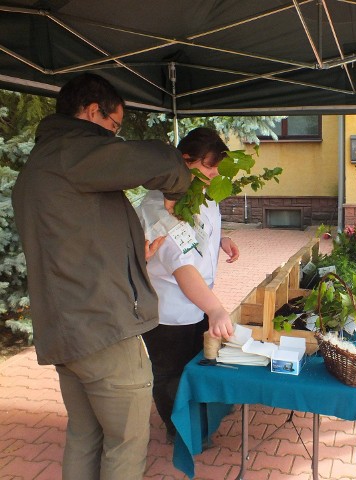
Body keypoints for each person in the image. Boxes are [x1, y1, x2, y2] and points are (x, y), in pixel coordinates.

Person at [11, 73, 192, 479]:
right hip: (102, 331)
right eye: (113, 128)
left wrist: (130, 255)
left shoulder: (39, 168)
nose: (114, 140)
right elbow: (161, 161)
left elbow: (70, 248)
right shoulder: (72, 152)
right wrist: (181, 181)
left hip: (66, 333)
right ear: (93, 113)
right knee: (126, 443)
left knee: (84, 434)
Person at [137, 127, 238, 444]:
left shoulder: (198, 192)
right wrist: (216, 308)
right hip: (169, 310)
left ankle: (198, 411)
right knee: (170, 372)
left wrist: (220, 238)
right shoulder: (159, 208)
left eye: (217, 168)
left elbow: (200, 231)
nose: (213, 174)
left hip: (197, 301)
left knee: (197, 360)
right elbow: (182, 267)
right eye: (208, 166)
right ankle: (176, 428)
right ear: (184, 160)